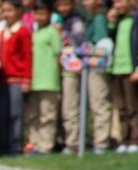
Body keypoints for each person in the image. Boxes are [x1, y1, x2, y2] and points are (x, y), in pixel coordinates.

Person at [107, 0, 138, 153]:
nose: (117, 5)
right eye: (115, 3)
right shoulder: (117, 21)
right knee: (121, 108)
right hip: (116, 69)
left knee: (133, 106)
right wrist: (112, 23)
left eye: (120, 2)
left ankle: (136, 138)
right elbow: (110, 41)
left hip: (130, 69)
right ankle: (124, 139)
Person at [0, 0, 32, 156]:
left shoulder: (22, 31)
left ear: (18, 11)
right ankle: (2, 145)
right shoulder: (4, 31)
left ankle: (15, 145)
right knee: (2, 114)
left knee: (15, 114)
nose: (6, 14)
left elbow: (28, 56)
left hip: (17, 79)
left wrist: (26, 79)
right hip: (3, 79)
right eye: (4, 11)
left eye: (9, 10)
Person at [27, 0, 62, 154]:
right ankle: (34, 143)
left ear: (49, 15)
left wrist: (58, 75)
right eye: (37, 13)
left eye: (43, 14)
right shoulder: (34, 32)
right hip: (34, 80)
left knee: (48, 115)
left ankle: (46, 145)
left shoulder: (52, 32)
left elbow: (58, 55)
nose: (39, 17)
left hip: (49, 79)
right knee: (33, 115)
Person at [55, 0, 87, 154]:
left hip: (71, 70)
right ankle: (63, 140)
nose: (63, 8)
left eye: (66, 5)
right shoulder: (58, 19)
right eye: (60, 5)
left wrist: (63, 33)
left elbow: (80, 42)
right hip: (58, 69)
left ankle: (73, 143)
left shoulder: (76, 21)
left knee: (70, 107)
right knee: (62, 107)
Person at [81, 0, 113, 154]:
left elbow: (103, 46)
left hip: (97, 68)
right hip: (90, 68)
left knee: (99, 103)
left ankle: (101, 142)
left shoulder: (99, 19)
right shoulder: (91, 19)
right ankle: (95, 139)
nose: (84, 2)